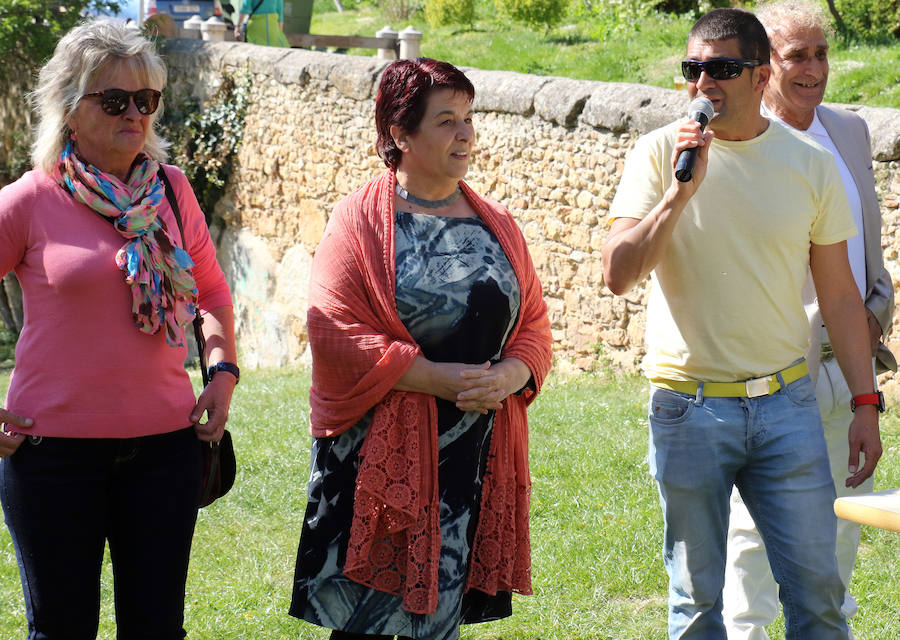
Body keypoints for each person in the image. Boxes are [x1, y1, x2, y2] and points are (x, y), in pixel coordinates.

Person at [602, 8, 883, 639]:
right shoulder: (657, 155)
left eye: (722, 68)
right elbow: (617, 274)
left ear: (760, 77)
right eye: (693, 69)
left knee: (818, 596)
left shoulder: (809, 164)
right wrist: (679, 195)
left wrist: (865, 402)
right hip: (688, 406)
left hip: (787, 406)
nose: (705, 83)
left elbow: (840, 299)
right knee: (697, 605)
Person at [288, 57, 553, 640]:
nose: (465, 134)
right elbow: (334, 330)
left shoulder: (498, 222)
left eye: (469, 118)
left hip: (470, 454)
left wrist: (510, 374)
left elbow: (533, 322)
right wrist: (434, 378)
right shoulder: (358, 219)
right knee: (370, 623)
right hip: (379, 460)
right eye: (446, 121)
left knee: (439, 621)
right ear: (399, 135)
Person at [0, 19, 238, 639]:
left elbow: (209, 291)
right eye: (114, 100)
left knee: (157, 629)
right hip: (51, 459)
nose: (135, 113)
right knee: (61, 631)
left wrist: (223, 372)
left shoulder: (173, 190)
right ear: (69, 109)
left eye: (146, 100)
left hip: (165, 453)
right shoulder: (28, 200)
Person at [722, 2, 896, 638]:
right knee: (752, 536)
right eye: (797, 55)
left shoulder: (848, 131)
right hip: (772, 371)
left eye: (821, 53)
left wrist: (874, 313)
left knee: (840, 524)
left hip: (847, 368)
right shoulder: (738, 142)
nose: (813, 68)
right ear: (763, 65)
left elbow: (863, 249)